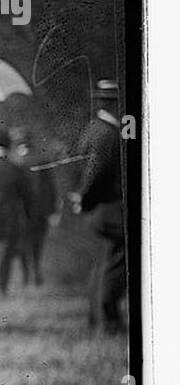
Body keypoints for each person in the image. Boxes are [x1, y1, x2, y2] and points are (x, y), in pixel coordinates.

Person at [70, 80, 126, 333]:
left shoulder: (95, 129)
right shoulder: (106, 133)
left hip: (102, 210)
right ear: (113, 104)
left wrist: (84, 200)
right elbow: (96, 174)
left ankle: (99, 320)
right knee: (116, 267)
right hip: (110, 209)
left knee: (106, 264)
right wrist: (85, 199)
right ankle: (108, 321)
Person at [0, 128, 33, 297]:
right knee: (6, 255)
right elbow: (27, 195)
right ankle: (2, 288)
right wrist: (29, 216)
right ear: (8, 145)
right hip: (9, 217)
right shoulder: (15, 168)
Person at [11, 126, 58, 286]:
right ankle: (36, 273)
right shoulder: (41, 159)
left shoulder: (14, 162)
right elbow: (50, 188)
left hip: (21, 210)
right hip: (39, 210)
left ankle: (27, 277)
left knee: (23, 244)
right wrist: (52, 210)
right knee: (37, 243)